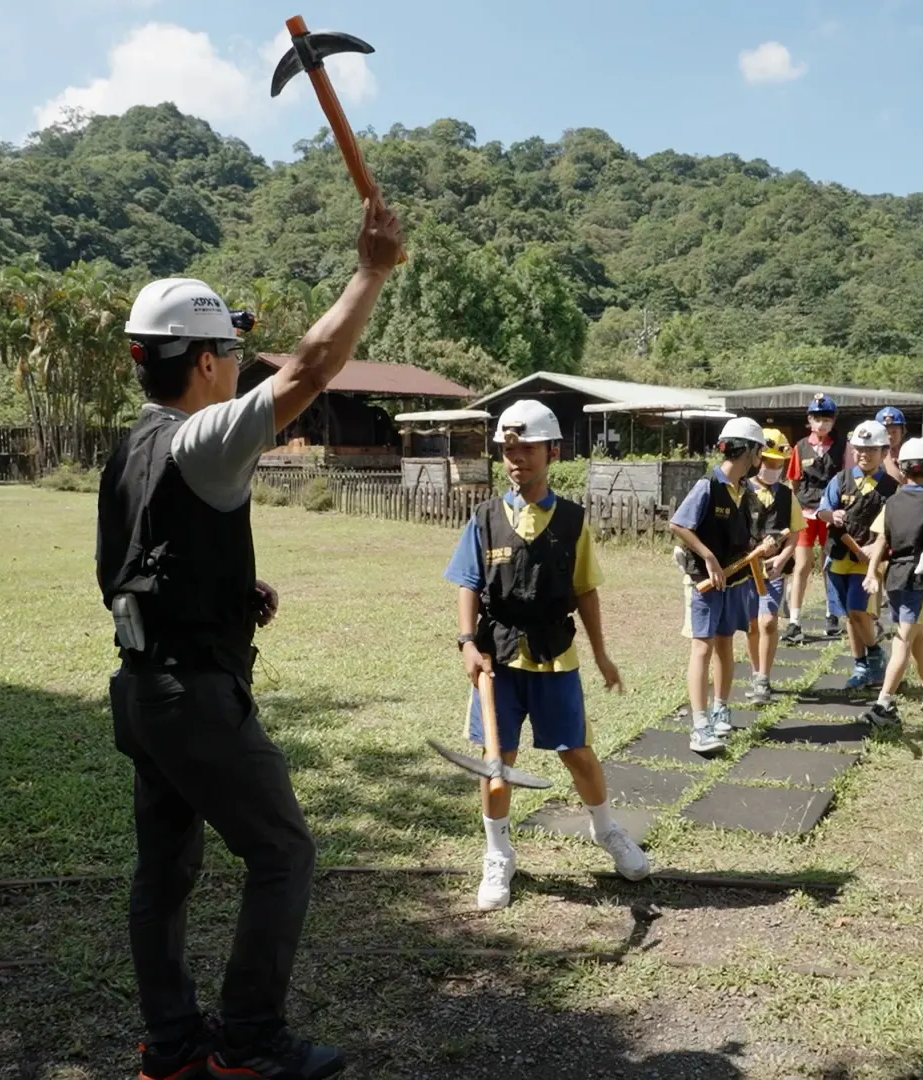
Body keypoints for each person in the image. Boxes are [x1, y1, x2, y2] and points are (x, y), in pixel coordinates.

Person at [98, 199, 402, 1080]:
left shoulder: (131, 450)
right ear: (201, 361)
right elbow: (310, 370)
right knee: (282, 850)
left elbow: (137, 566)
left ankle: (173, 1043)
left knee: (165, 873)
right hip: (195, 697)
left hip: (141, 691)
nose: (240, 362)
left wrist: (229, 593)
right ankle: (251, 1044)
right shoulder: (203, 437)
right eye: (231, 349)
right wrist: (371, 270)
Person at [446, 399, 648, 912]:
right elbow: (469, 582)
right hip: (498, 659)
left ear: (552, 451)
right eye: (508, 450)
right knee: (498, 762)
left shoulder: (574, 520)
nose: (516, 459)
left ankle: (607, 831)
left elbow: (586, 592)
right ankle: (498, 855)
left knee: (576, 752)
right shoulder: (485, 518)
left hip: (556, 654)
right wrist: (468, 643)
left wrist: (602, 654)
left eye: (527, 448)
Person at [672, 416, 779, 755]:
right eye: (758, 452)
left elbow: (746, 536)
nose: (760, 459)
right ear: (747, 451)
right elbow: (679, 524)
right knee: (702, 647)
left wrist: (763, 548)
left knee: (724, 645)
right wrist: (707, 557)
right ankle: (699, 725)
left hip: (735, 580)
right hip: (705, 582)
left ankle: (721, 709)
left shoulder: (746, 491)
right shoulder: (707, 486)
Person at [861, 437, 923, 721]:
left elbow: (881, 540)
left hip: (894, 577)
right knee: (904, 639)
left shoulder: (891, 503)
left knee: (917, 636)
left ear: (902, 470)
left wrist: (871, 572)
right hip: (920, 578)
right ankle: (884, 704)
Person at [817, 420, 898, 691]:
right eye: (859, 449)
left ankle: (874, 653)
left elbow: (894, 527)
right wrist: (832, 514)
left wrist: (876, 551)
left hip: (869, 560)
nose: (864, 454)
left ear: (884, 452)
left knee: (857, 608)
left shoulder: (891, 487)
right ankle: (861, 664)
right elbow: (822, 511)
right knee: (849, 616)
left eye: (871, 450)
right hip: (839, 555)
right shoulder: (840, 480)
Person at [743, 427, 802, 706]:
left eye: (778, 464)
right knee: (752, 624)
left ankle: (764, 677)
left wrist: (782, 558)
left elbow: (795, 533)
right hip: (747, 568)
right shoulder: (742, 491)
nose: (773, 468)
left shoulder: (787, 495)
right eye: (768, 462)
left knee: (768, 622)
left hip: (774, 568)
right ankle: (755, 672)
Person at [785, 394, 845, 644]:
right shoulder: (799, 447)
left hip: (830, 513)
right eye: (817, 418)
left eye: (826, 419)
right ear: (809, 420)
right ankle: (794, 620)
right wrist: (789, 513)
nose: (821, 424)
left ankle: (832, 616)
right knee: (802, 566)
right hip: (806, 513)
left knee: (828, 565)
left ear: (833, 421)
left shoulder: (843, 446)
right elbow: (794, 482)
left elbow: (845, 479)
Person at [876, 406, 909, 483]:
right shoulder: (872, 454)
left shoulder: (910, 452)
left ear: (902, 432)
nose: (890, 436)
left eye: (894, 432)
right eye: (886, 432)